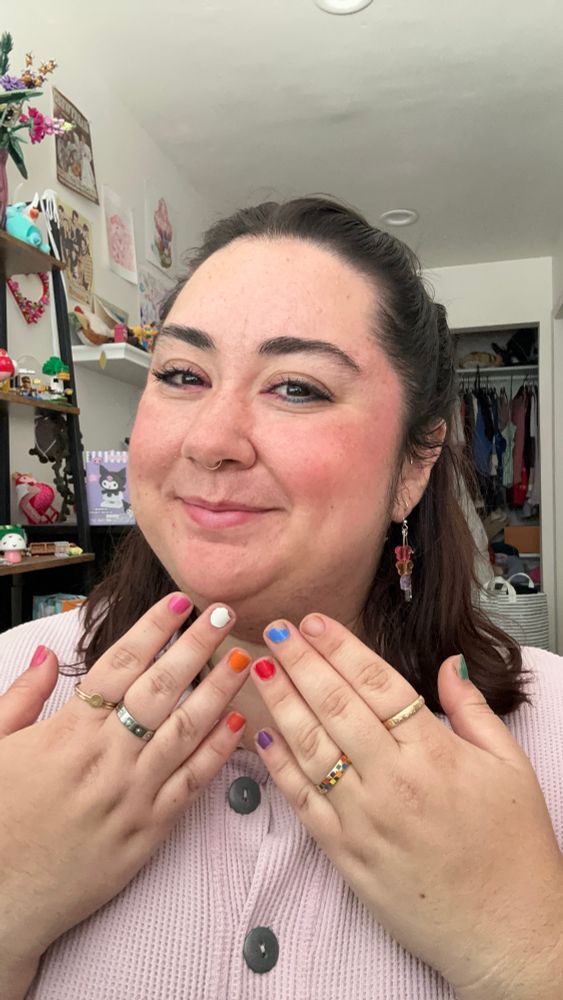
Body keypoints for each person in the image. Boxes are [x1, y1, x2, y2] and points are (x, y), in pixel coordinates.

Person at [0, 197, 561, 1000]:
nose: (210, 441)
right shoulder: (16, 689)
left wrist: (528, 951)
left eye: (296, 388)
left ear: (415, 460)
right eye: (182, 375)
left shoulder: (548, 733)